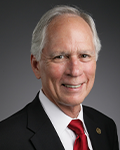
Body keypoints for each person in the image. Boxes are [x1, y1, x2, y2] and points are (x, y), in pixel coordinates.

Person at [0, 5, 119, 150]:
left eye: (84, 56)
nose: (75, 71)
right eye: (60, 57)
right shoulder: (6, 139)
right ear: (36, 65)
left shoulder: (106, 128)